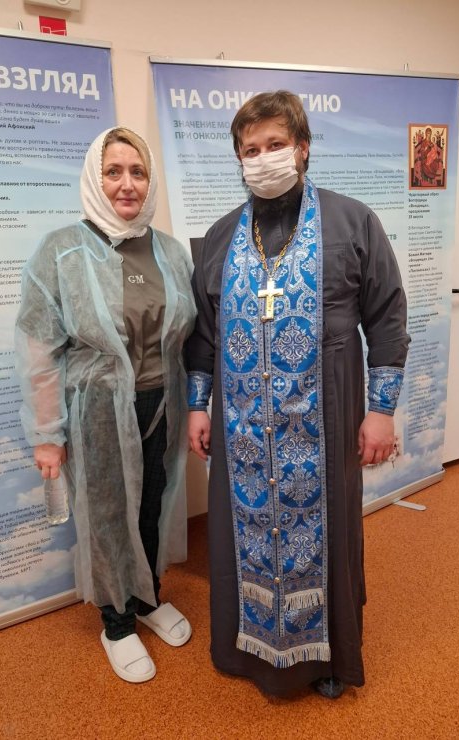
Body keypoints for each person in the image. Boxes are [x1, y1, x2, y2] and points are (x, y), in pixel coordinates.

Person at [186, 91, 409, 698]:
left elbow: (387, 317)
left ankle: (326, 661)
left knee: (330, 534)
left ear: (302, 148)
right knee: (240, 537)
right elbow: (203, 332)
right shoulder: (220, 237)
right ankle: (247, 652)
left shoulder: (352, 222)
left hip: (326, 420)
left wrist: (381, 411)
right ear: (239, 158)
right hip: (241, 432)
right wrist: (197, 405)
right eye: (250, 149)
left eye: (276, 144)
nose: (264, 158)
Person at [16, 127, 196, 683]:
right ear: (95, 180)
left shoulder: (169, 252)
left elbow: (186, 334)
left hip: (162, 403)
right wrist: (47, 434)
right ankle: (116, 623)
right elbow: (39, 349)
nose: (127, 184)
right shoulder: (61, 250)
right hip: (95, 410)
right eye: (112, 172)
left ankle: (146, 596)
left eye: (137, 172)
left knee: (152, 506)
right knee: (108, 514)